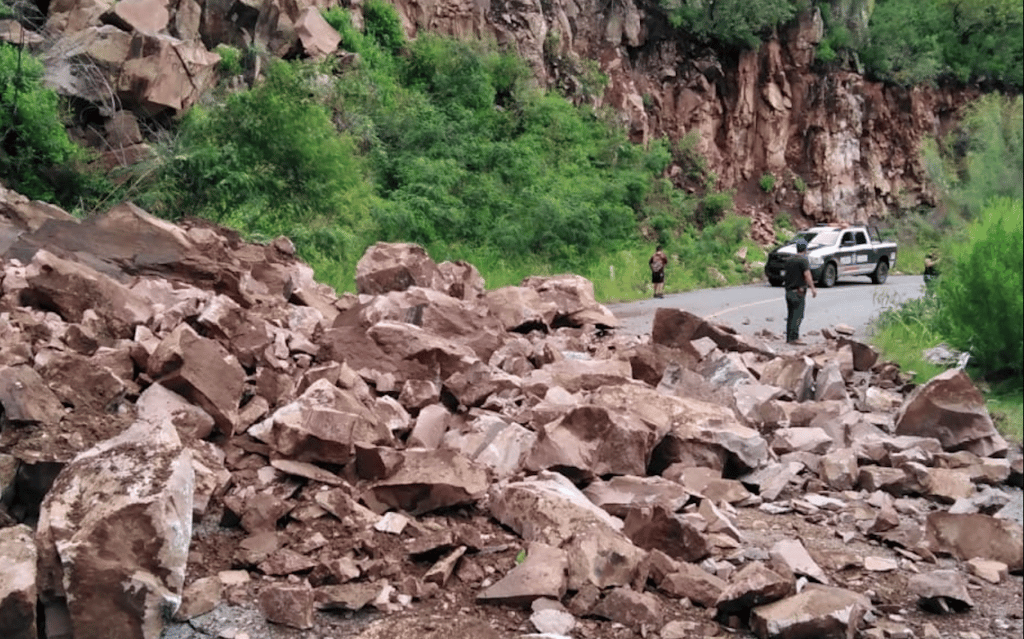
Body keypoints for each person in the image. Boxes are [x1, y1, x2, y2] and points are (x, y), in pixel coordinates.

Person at [784, 239, 817, 344]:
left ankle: (789, 337)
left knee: (790, 315)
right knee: (798, 315)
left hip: (788, 291)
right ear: (805, 249)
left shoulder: (789, 260)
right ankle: (794, 338)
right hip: (798, 292)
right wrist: (812, 288)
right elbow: (807, 274)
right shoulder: (803, 260)